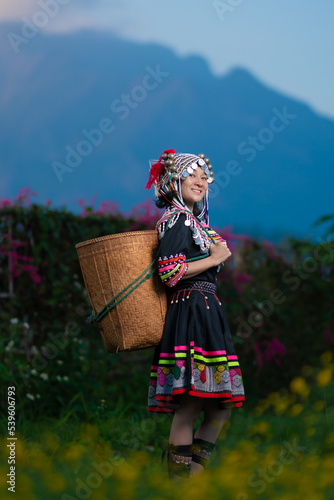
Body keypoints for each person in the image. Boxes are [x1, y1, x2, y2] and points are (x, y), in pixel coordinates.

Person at [145, 149, 245, 480]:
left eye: (205, 177)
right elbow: (169, 272)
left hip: (206, 314)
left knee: (220, 408)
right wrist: (215, 256)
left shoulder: (194, 222)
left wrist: (215, 254)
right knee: (191, 403)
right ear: (175, 181)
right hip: (189, 313)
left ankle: (193, 473)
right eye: (193, 175)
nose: (201, 181)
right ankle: (179, 481)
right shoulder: (177, 220)